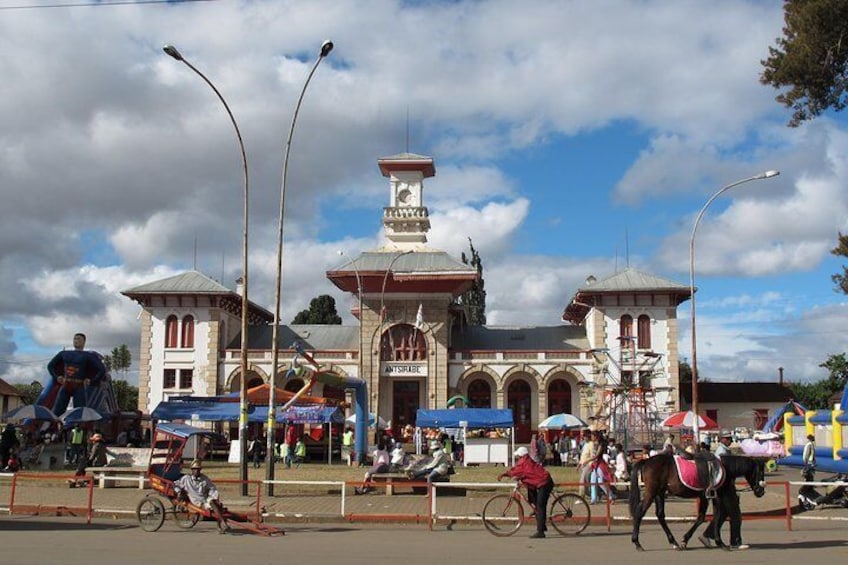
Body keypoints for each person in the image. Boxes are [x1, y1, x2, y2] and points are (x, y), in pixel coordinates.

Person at [43, 333, 106, 416]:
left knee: (79, 412)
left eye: (79, 339)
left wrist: (92, 381)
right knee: (58, 411)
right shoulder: (64, 353)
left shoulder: (88, 355)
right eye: (75, 339)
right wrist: (57, 377)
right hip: (66, 384)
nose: (76, 341)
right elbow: (50, 366)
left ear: (84, 342)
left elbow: (102, 370)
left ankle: (78, 428)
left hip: (79, 385)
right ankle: (55, 428)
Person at [498, 446, 554, 539]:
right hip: (539, 482)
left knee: (540, 506)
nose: (517, 458)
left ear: (521, 456)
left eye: (518, 456)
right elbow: (522, 471)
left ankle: (541, 532)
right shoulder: (526, 460)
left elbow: (515, 470)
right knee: (535, 504)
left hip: (544, 483)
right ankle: (541, 523)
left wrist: (504, 474)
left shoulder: (524, 462)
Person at [174, 459, 230, 534]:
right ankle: (224, 523)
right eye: (194, 469)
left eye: (198, 469)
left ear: (200, 470)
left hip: (205, 500)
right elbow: (175, 484)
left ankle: (220, 526)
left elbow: (212, 488)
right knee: (213, 504)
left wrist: (215, 497)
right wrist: (179, 492)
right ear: (192, 470)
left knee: (216, 504)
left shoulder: (204, 478)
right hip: (197, 502)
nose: (196, 471)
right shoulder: (186, 479)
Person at [577, 432, 597, 496]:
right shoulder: (585, 444)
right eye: (584, 437)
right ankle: (588, 493)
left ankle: (581, 495)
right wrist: (579, 464)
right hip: (583, 465)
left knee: (583, 480)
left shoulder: (591, 444)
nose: (584, 438)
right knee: (585, 480)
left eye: (585, 436)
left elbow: (593, 455)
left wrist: (589, 463)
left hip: (588, 465)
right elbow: (583, 455)